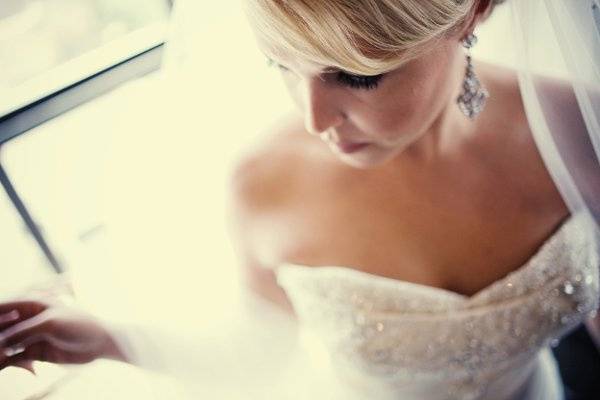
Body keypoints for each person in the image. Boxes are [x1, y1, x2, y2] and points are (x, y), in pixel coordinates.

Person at [0, 0, 599, 399]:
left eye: (356, 75)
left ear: (472, 12)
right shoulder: (262, 186)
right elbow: (255, 354)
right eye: (280, 65)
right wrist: (108, 339)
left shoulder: (582, 130)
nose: (314, 119)